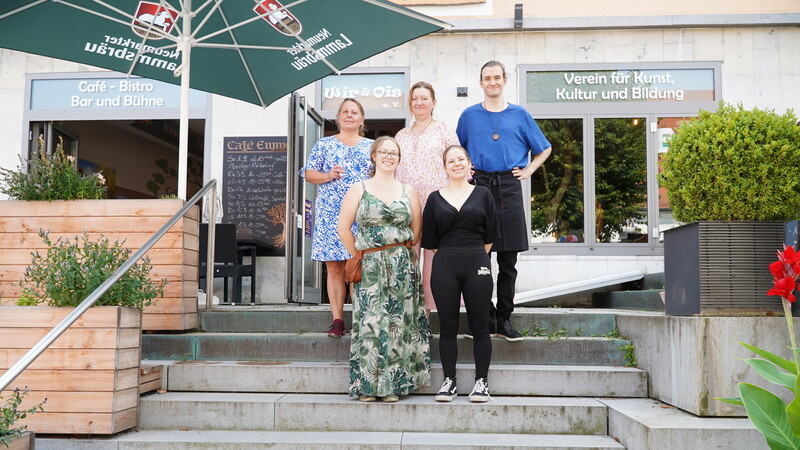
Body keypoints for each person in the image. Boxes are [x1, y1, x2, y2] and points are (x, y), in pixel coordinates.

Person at [456, 60, 552, 342]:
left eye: (497, 77)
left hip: (509, 185)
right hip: (479, 185)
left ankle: (505, 319)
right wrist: (466, 166)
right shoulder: (469, 115)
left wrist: (529, 170)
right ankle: (484, 319)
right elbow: (457, 147)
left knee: (508, 259)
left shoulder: (520, 114)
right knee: (479, 258)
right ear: (481, 82)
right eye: (487, 78)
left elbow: (544, 148)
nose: (493, 82)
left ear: (505, 80)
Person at [338, 136, 431, 402]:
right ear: (374, 155)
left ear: (399, 159)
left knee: (397, 324)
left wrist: (402, 256)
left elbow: (416, 230)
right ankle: (368, 387)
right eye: (384, 152)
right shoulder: (358, 188)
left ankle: (393, 385)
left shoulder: (408, 190)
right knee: (370, 323)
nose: (389, 156)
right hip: (369, 264)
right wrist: (359, 253)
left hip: (401, 266)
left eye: (394, 153)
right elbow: (343, 228)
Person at [422, 145, 498, 403]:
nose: (456, 164)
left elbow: (490, 237)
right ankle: (449, 381)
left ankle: (481, 382)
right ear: (444, 167)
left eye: (460, 159)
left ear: (468, 163)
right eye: (450, 161)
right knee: (447, 326)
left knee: (480, 325)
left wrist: (473, 254)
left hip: (477, 260)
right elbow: (430, 240)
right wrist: (454, 253)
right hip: (444, 265)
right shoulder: (434, 198)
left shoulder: (483, 194)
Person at [302, 98, 373, 338]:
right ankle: (337, 320)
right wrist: (328, 175)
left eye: (354, 112)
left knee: (358, 266)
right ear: (338, 118)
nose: (349, 115)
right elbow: (308, 174)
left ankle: (361, 318)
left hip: (363, 215)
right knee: (334, 268)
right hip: (330, 213)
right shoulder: (324, 145)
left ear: (362, 119)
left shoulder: (372, 146)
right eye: (345, 112)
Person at [395, 81, 460, 317]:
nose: (419, 103)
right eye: (415, 99)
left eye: (424, 98)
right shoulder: (401, 135)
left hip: (436, 205)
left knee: (434, 260)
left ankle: (431, 312)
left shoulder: (443, 130)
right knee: (408, 256)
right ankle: (407, 311)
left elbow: (457, 164)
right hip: (406, 205)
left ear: (433, 102)